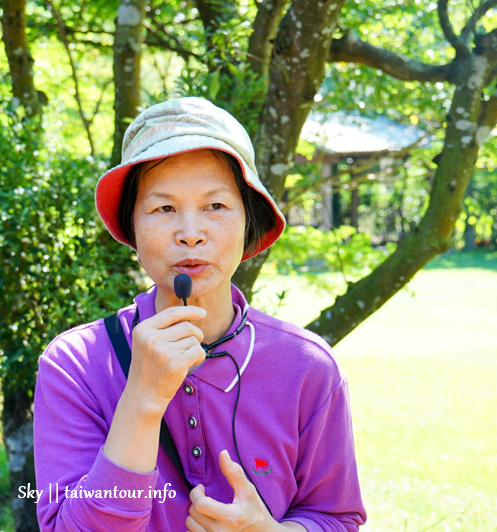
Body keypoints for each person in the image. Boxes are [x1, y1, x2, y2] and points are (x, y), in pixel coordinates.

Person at [33, 97, 366, 531]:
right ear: (131, 227)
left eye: (215, 206)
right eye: (164, 208)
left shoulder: (307, 366)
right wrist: (142, 401)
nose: (191, 234)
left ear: (248, 220)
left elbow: (335, 515)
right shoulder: (75, 364)